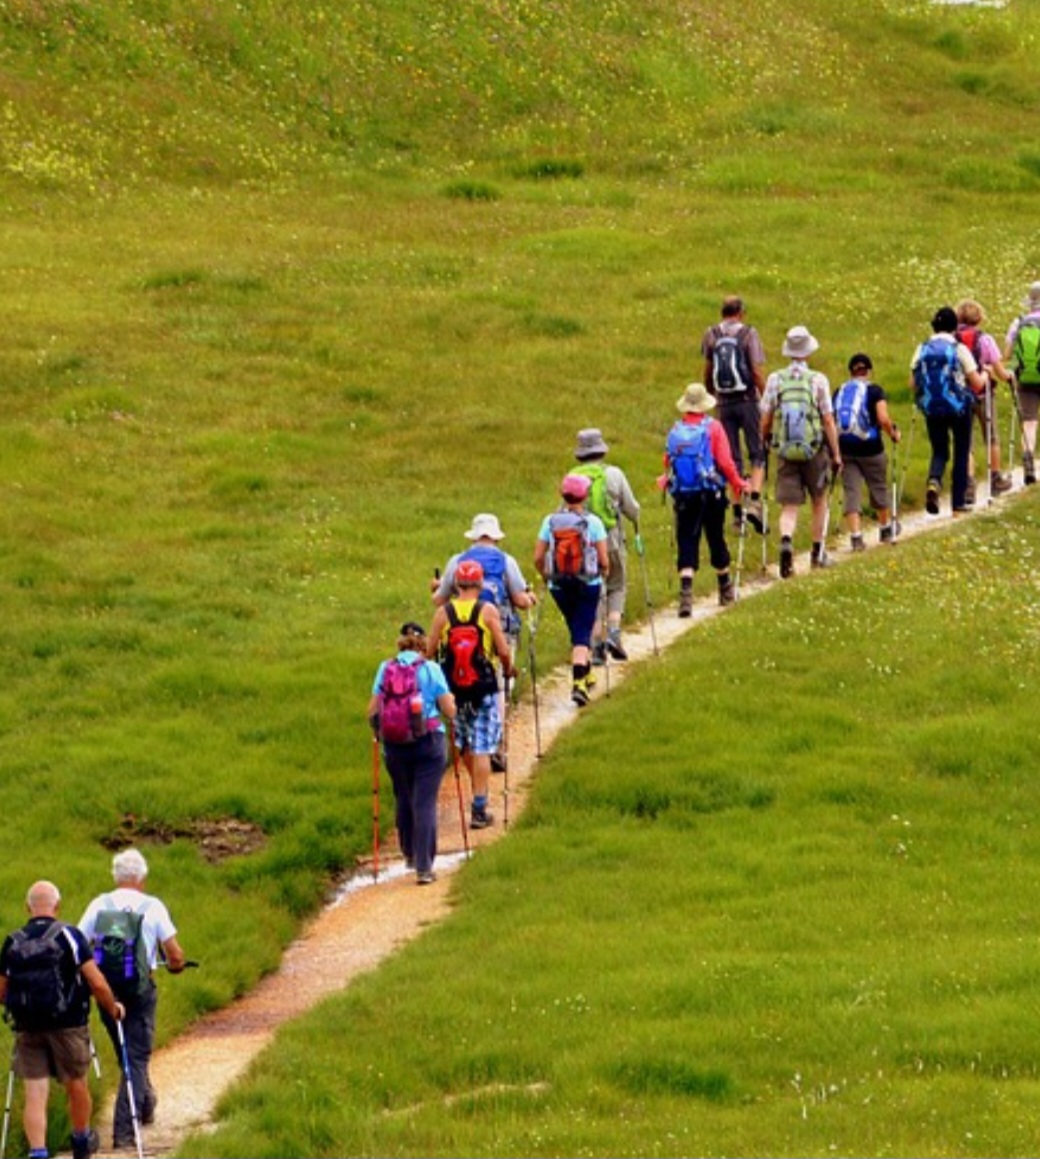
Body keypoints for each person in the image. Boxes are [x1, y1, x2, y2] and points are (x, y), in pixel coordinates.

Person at [0, 880, 124, 1159]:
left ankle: (39, 1152)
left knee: (35, 1091)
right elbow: (96, 982)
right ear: (57, 905)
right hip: (68, 1025)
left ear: (27, 907)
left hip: (28, 1027)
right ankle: (81, 1141)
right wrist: (112, 1007)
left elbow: (2, 991)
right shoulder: (69, 935)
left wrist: (23, 1005)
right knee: (76, 1083)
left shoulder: (13, 940)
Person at [79, 849, 186, 1152]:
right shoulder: (153, 906)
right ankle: (124, 1133)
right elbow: (175, 955)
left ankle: (146, 1102)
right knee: (136, 1057)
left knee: (129, 1053)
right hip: (139, 993)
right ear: (142, 877)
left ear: (116, 876)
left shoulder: (99, 905)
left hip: (106, 993)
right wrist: (175, 964)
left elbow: (79, 944)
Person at [431, 513, 535, 771]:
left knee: (460, 679)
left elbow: (439, 600)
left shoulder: (457, 561)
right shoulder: (505, 561)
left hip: (458, 633)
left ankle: (462, 744)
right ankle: (495, 746)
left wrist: (435, 586)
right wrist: (530, 598)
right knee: (496, 687)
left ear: (474, 536)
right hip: (498, 628)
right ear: (496, 537)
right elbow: (520, 600)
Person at [428, 561, 515, 828]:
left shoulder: (443, 613)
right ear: (479, 584)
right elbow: (502, 649)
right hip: (484, 687)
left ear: (455, 584)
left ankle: (478, 792)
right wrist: (510, 669)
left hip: (454, 690)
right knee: (483, 747)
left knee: (464, 743)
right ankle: (479, 806)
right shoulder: (487, 611)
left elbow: (429, 652)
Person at [368, 621, 456, 884]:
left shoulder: (385, 668)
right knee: (424, 801)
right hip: (428, 741)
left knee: (403, 796)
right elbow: (449, 709)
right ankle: (424, 867)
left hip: (395, 744)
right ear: (423, 646)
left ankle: (408, 853)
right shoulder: (431, 669)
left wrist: (378, 732)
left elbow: (372, 710)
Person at [658, 383, 749, 615]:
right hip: (710, 491)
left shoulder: (676, 430)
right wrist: (738, 483)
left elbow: (667, 461)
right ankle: (725, 589)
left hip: (684, 494)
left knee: (687, 539)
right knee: (715, 537)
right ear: (704, 405)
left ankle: (686, 597)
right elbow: (725, 462)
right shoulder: (713, 428)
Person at [760, 325, 842, 578]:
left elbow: (766, 417)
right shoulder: (817, 380)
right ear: (807, 352)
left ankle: (786, 540)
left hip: (785, 450)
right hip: (814, 449)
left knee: (789, 505)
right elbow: (827, 419)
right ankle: (817, 553)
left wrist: (766, 440)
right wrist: (836, 453)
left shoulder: (776, 379)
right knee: (819, 500)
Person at [534, 474, 610, 707]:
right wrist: (604, 572)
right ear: (585, 495)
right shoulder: (593, 523)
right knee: (581, 630)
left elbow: (538, 556)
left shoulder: (550, 522)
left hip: (559, 584)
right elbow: (604, 559)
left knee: (577, 627)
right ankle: (578, 684)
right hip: (588, 583)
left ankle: (586, 672)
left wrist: (546, 575)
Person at [569, 428, 641, 663]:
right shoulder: (614, 474)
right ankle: (613, 632)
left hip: (583, 544)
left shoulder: (572, 478)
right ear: (601, 450)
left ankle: (597, 644)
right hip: (611, 539)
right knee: (617, 585)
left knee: (595, 588)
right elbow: (632, 509)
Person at [700, 295, 768, 531]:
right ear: (741, 312)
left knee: (730, 457)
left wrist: (710, 397)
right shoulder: (748, 334)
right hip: (748, 400)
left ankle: (737, 513)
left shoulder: (711, 334)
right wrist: (766, 398)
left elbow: (708, 370)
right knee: (757, 451)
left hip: (724, 403)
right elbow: (756, 370)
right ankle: (755, 502)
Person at [910, 305, 985, 518]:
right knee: (961, 452)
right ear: (954, 326)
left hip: (932, 408)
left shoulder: (922, 349)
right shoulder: (959, 349)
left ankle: (934, 481)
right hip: (959, 408)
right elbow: (977, 384)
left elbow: (912, 383)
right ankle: (958, 504)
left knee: (940, 451)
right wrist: (986, 375)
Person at [832, 353, 901, 550]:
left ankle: (856, 537)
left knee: (851, 490)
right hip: (871, 448)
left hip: (845, 447)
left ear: (851, 372)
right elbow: (882, 418)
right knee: (878, 486)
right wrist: (893, 434)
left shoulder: (840, 391)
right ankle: (885, 528)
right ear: (869, 371)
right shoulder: (874, 390)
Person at [955, 298, 1013, 502]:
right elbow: (999, 370)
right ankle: (996, 478)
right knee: (992, 436)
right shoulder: (985, 339)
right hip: (983, 392)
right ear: (979, 318)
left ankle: (968, 484)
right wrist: (1008, 377)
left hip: (960, 397)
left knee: (965, 441)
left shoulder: (953, 340)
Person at [1004, 279, 1040, 486]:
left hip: (1025, 377)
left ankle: (1028, 456)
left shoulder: (1019, 322)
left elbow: (1007, 354)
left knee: (1029, 421)